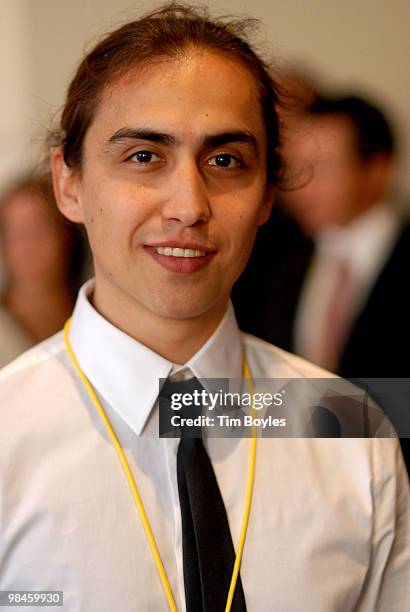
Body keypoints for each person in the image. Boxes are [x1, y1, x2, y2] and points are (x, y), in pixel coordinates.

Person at [0, 6, 408, 611]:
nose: (189, 205)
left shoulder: (348, 425)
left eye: (225, 161)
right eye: (144, 156)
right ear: (69, 183)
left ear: (268, 194)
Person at [233, 93, 410, 471]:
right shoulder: (277, 260)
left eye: (322, 169)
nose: (302, 189)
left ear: (377, 168)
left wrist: (209, 410)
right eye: (296, 170)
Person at [0, 174, 87, 367]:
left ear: (68, 236)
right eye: (17, 233)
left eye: (39, 231)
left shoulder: (95, 315)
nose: (28, 246)